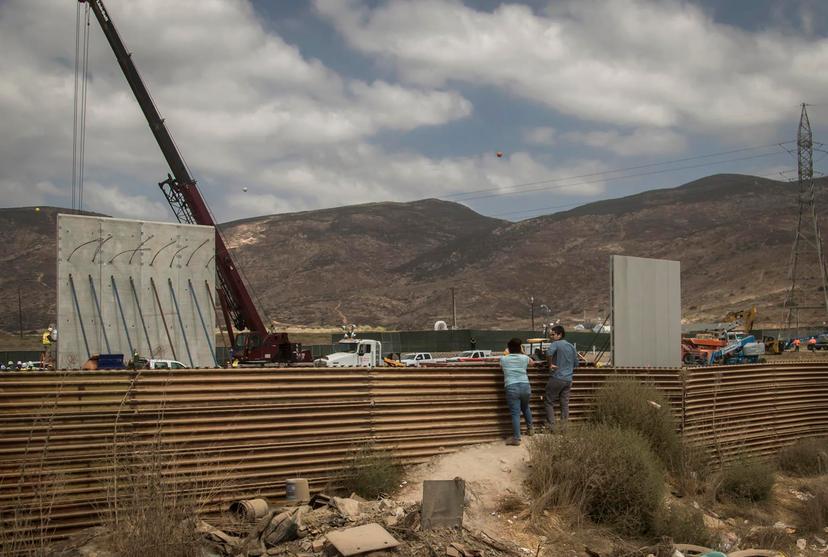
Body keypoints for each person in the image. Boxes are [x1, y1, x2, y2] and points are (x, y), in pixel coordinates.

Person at [499, 338, 533, 446]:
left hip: (512, 386)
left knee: (515, 413)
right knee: (526, 407)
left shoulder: (504, 359)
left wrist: (507, 353)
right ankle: (530, 429)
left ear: (508, 348)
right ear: (520, 347)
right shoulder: (525, 358)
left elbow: (501, 367)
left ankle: (517, 438)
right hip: (525, 385)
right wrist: (522, 353)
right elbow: (533, 363)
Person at [544, 325, 578, 429]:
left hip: (557, 377)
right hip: (568, 380)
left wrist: (550, 365)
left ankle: (552, 427)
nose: (551, 336)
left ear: (560, 334)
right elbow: (576, 363)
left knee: (548, 400)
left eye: (553, 334)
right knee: (564, 404)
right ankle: (564, 427)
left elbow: (549, 353)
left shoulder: (555, 344)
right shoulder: (571, 346)